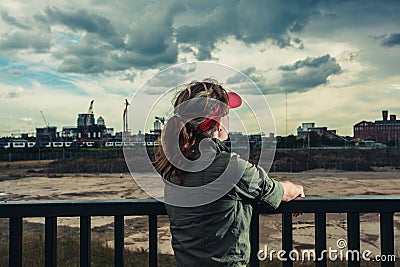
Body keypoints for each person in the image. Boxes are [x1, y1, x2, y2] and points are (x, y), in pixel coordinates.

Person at [155, 79, 304, 267]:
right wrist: (297, 188)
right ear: (217, 123)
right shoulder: (230, 168)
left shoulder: (175, 170)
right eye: (226, 113)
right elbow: (275, 192)